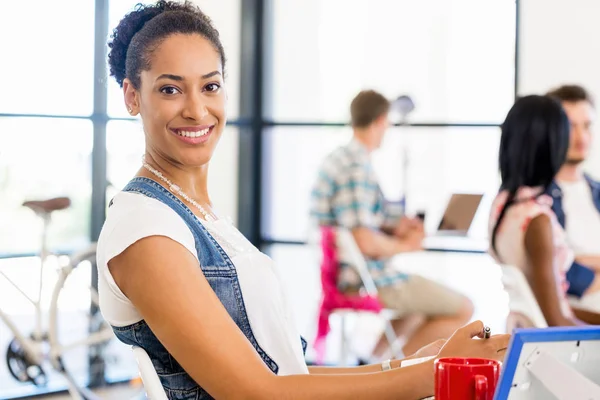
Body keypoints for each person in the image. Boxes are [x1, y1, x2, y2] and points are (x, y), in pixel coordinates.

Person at [96, 2, 508, 398]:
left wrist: (413, 364)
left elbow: (287, 372)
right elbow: (257, 393)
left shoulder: (197, 217)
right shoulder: (145, 229)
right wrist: (433, 374)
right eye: (170, 89)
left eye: (210, 86)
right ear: (132, 96)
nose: (197, 109)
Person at [310, 90, 474, 360]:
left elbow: (360, 220)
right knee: (463, 308)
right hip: (361, 280)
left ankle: (372, 366)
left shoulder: (341, 158)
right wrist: (405, 246)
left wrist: (395, 226)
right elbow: (363, 240)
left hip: (345, 274)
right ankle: (397, 377)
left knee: (423, 306)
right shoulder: (356, 166)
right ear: (381, 121)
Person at [489, 95, 600, 327]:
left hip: (530, 334)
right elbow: (556, 321)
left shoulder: (504, 204)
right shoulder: (538, 219)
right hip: (553, 346)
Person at [545, 85, 600, 317]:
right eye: (570, 126)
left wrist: (585, 260)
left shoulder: (595, 190)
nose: (581, 137)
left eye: (586, 126)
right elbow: (563, 273)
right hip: (578, 310)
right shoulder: (539, 198)